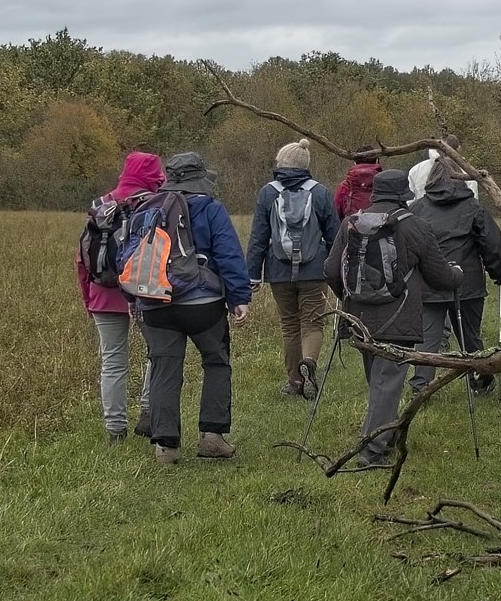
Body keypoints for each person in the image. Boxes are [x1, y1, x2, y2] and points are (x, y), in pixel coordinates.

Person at [322, 163, 462, 469]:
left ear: (375, 193)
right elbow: (439, 277)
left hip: (358, 316)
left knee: (379, 380)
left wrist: (348, 296)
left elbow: (331, 270)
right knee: (386, 383)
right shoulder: (415, 226)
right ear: (404, 195)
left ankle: (383, 437)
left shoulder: (351, 223)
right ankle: (371, 451)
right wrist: (457, 274)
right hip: (399, 317)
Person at [131, 150, 252, 461]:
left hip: (156, 302)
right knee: (216, 361)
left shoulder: (147, 207)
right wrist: (239, 297)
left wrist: (134, 299)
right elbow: (228, 254)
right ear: (200, 178)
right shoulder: (210, 208)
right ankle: (212, 436)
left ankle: (165, 446)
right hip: (203, 304)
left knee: (164, 369)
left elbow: (132, 257)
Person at [76, 151, 163, 441]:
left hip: (103, 292)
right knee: (158, 352)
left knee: (112, 362)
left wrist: (88, 299)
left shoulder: (100, 205)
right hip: (145, 293)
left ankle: (115, 430)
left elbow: (81, 257)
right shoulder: (155, 204)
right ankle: (148, 411)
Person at [410, 161, 501, 400]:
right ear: (461, 179)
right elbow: (491, 243)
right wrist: (498, 272)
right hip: (467, 283)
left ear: (431, 178)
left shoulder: (417, 209)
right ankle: (480, 381)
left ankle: (421, 388)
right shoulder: (473, 208)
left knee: (427, 339)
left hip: (429, 283)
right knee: (470, 337)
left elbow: (408, 244)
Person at [246, 138, 338, 400]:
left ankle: (295, 382)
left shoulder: (268, 193)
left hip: (279, 271)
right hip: (314, 271)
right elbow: (334, 235)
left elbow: (258, 238)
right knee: (313, 322)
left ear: (281, 163)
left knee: (289, 325)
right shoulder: (320, 192)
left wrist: (252, 275)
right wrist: (336, 270)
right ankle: (309, 363)